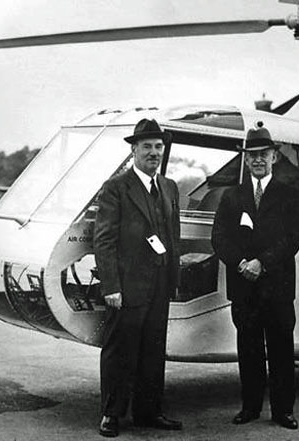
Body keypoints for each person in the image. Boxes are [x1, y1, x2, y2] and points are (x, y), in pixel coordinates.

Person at [211, 121, 299, 430]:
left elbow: (291, 240)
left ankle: (283, 412)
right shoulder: (231, 197)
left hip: (277, 289)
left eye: (263, 154)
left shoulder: (291, 196)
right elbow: (219, 238)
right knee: (248, 350)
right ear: (245, 159)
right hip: (245, 290)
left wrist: (261, 264)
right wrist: (241, 263)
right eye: (251, 155)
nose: (257, 160)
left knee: (281, 351)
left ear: (274, 157)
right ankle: (249, 407)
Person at [93, 118, 182, 437]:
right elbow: (103, 240)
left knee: (153, 349)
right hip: (127, 287)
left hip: (160, 286)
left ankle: (148, 412)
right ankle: (111, 415)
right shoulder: (116, 187)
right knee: (120, 349)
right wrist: (111, 287)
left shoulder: (169, 187)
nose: (154, 153)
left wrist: (173, 280)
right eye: (147, 147)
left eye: (159, 147)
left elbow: (173, 236)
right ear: (134, 151)